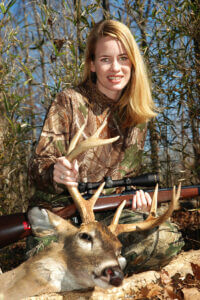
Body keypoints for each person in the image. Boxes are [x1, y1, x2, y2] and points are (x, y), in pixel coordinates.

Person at [28, 19, 184, 273]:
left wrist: (139, 201)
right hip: (63, 215)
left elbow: (128, 178)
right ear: (91, 64)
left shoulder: (137, 115)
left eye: (123, 58)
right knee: (49, 257)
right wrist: (54, 173)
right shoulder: (69, 101)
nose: (116, 68)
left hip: (110, 217)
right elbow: (38, 167)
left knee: (164, 239)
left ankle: (92, 267)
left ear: (133, 62)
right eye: (105, 59)